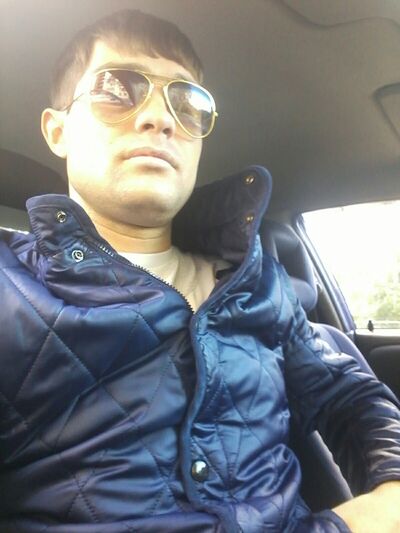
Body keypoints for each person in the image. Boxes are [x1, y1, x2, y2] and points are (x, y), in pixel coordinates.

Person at [0, 9, 399, 533]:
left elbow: (350, 395)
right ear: (58, 130)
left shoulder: (255, 281)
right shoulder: (12, 289)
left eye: (188, 104)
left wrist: (391, 492)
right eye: (117, 89)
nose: (160, 118)